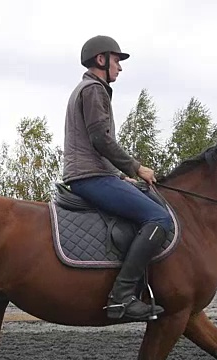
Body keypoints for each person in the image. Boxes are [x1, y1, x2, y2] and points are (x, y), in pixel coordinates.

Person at [62, 35, 174, 322]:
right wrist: (136, 168)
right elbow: (101, 139)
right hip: (89, 177)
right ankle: (122, 297)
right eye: (117, 61)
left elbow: (95, 142)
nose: (120, 68)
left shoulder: (88, 89)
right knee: (159, 218)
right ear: (102, 59)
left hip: (95, 173)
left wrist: (118, 176)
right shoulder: (94, 89)